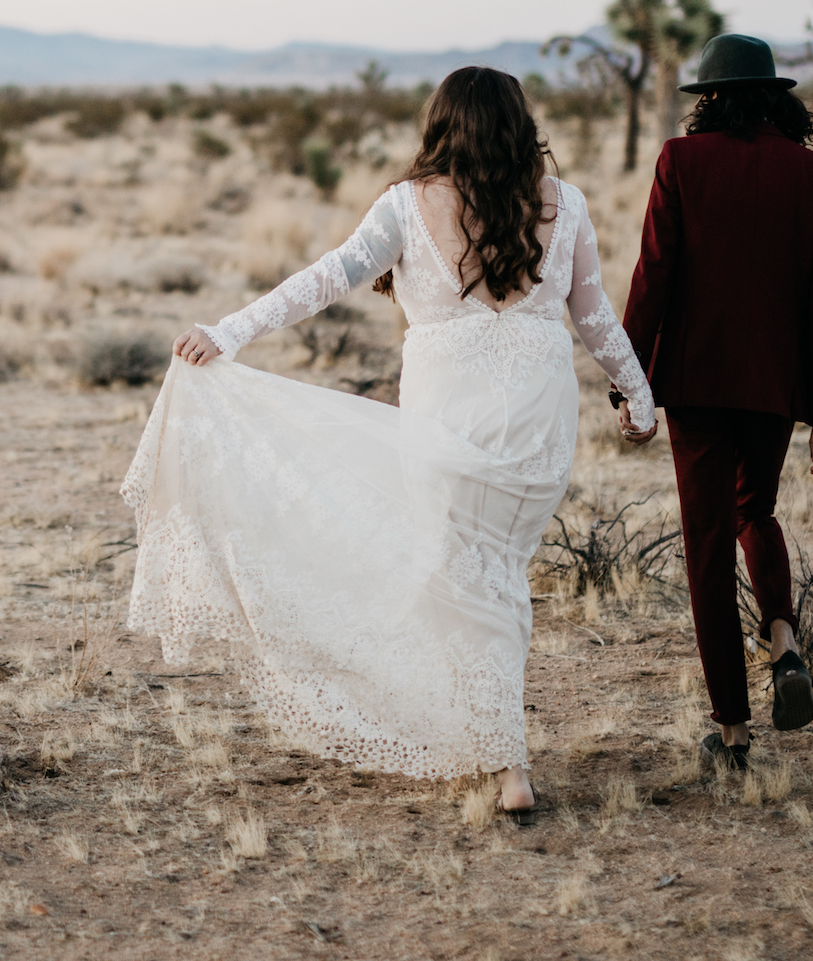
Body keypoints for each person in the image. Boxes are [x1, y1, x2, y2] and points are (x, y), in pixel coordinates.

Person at [127, 67, 655, 821]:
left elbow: (325, 279)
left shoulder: (406, 206)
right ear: (518, 122)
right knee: (495, 572)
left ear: (441, 125)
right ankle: (496, 748)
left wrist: (229, 330)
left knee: (463, 574)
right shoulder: (564, 204)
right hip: (539, 424)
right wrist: (638, 392)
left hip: (447, 419)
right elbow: (596, 315)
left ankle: (505, 759)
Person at [618, 32, 813, 773]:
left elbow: (654, 274)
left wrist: (631, 377)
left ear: (710, 98)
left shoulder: (682, 162)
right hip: (774, 384)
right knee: (757, 511)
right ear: (775, 95)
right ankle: (782, 637)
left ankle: (735, 731)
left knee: (708, 548)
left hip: (695, 380)